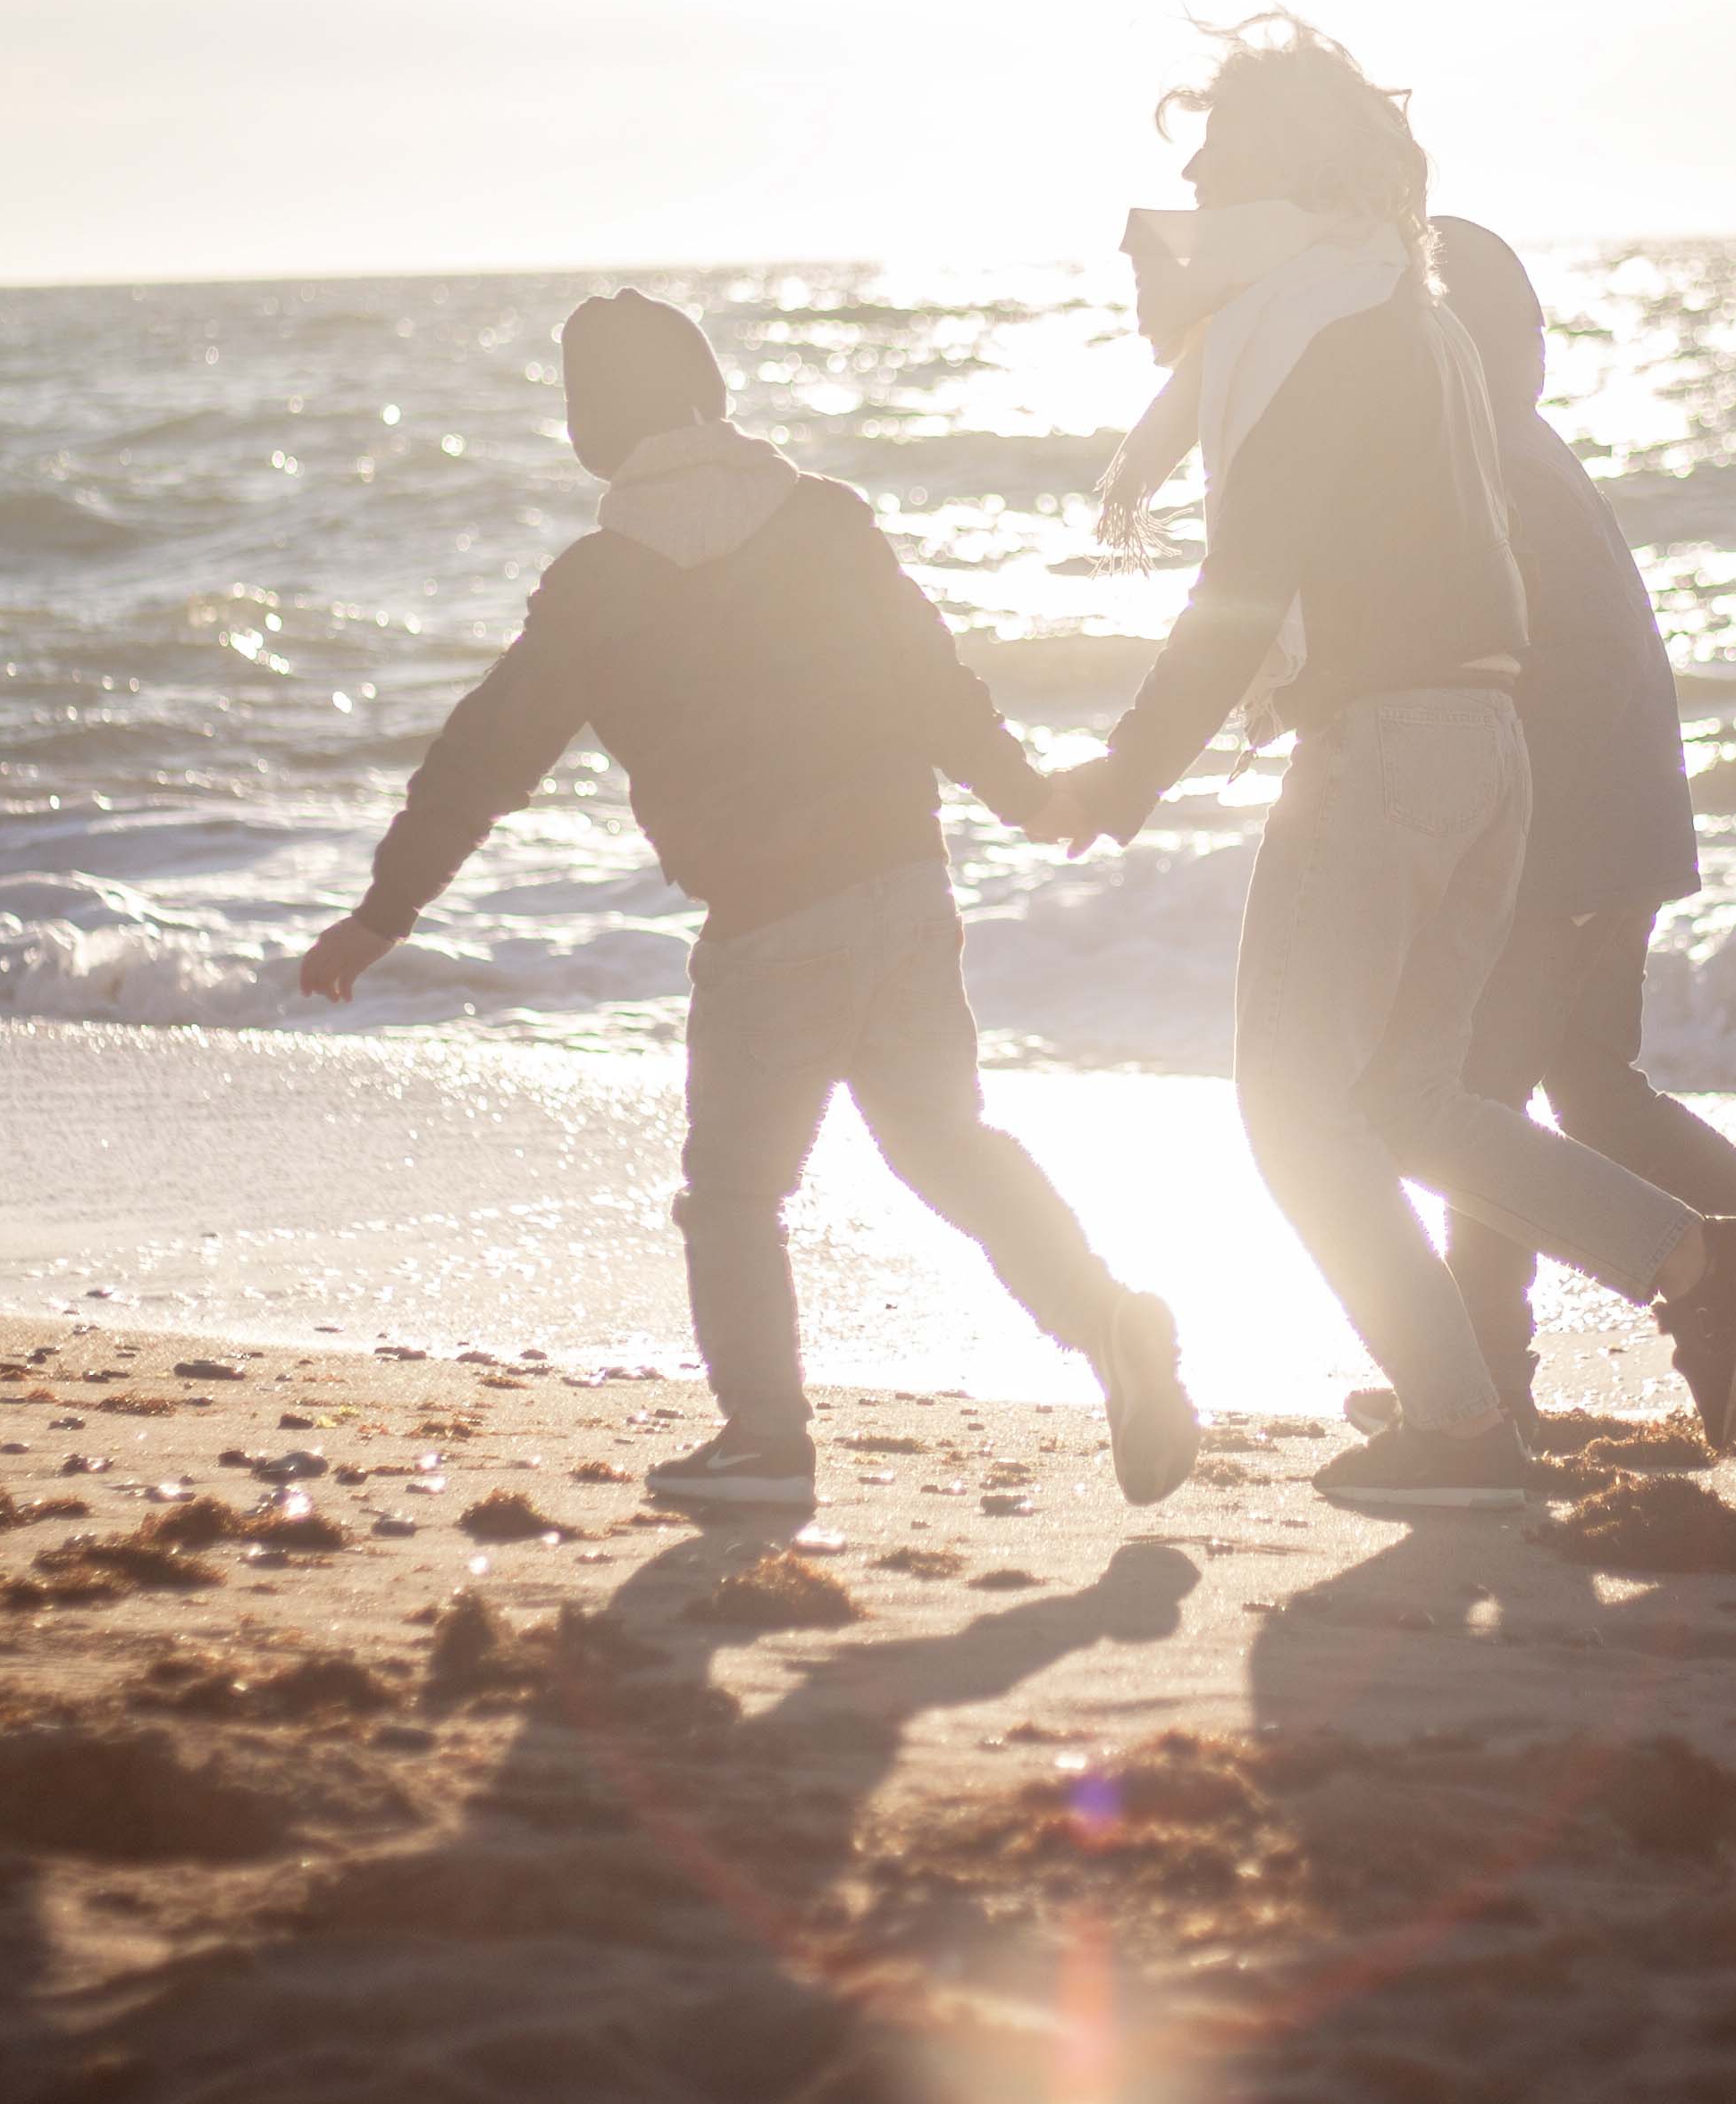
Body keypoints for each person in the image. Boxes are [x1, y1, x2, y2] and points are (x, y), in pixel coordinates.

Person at [1032, 21, 1736, 1512]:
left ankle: (1488, 1407)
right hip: (1479, 746)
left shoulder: (1314, 334)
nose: (1190, 194)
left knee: (1287, 1115)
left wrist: (1124, 777)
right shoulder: (1413, 313)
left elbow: (1243, 587)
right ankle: (1666, 1293)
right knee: (1404, 1106)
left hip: (1379, 748)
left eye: (1216, 163)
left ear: (1284, 176)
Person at [299, 289, 1199, 1519]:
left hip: (772, 925)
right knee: (946, 1143)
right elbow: (934, 680)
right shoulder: (827, 521)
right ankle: (1104, 1322)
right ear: (712, 396)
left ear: (590, 432)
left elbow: (484, 757)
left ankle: (765, 1442)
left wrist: (384, 913)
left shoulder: (601, 581)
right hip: (901, 888)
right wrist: (1023, 794)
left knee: (733, 1191)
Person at [1423, 220, 1736, 1454]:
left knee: (1473, 1100)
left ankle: (1483, 1381)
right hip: (1620, 818)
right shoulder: (1523, 452)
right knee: (1592, 1096)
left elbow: (1507, 669)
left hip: (1570, 835)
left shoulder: (1479, 464)